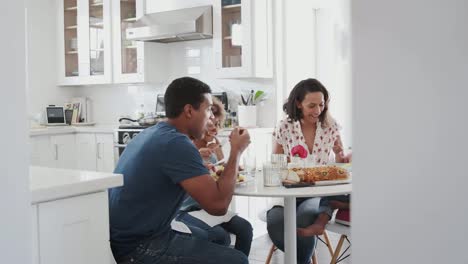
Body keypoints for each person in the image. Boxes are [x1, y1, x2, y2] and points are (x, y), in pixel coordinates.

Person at [109, 76, 251, 264]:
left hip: (124, 237)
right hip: (139, 246)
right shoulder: (176, 142)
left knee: (218, 238)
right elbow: (218, 206)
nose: (210, 117)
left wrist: (196, 168)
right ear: (189, 111)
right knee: (237, 260)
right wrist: (236, 152)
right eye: (208, 109)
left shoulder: (153, 133)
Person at [267, 78, 351, 264]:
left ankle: (300, 260)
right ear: (298, 103)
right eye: (311, 105)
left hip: (317, 193)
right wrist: (288, 166)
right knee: (276, 221)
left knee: (305, 216)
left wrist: (339, 155)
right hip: (287, 192)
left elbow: (341, 166)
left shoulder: (330, 126)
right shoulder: (285, 127)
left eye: (321, 105)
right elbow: (275, 163)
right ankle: (299, 258)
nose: (318, 110)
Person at [178, 118, 253, 256]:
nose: (213, 130)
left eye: (216, 126)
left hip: (207, 209)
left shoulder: (214, 148)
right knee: (220, 235)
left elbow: (221, 174)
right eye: (209, 125)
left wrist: (222, 156)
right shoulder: (188, 148)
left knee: (245, 228)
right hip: (186, 209)